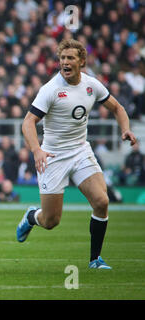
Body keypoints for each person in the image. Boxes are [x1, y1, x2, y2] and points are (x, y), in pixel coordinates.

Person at [16, 39, 137, 270]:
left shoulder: (92, 85)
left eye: (70, 58)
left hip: (80, 150)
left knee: (102, 201)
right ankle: (32, 216)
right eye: (62, 58)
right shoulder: (50, 89)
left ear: (82, 61)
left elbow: (117, 108)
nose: (65, 62)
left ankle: (95, 260)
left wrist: (125, 129)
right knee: (51, 221)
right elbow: (28, 122)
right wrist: (37, 150)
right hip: (53, 156)